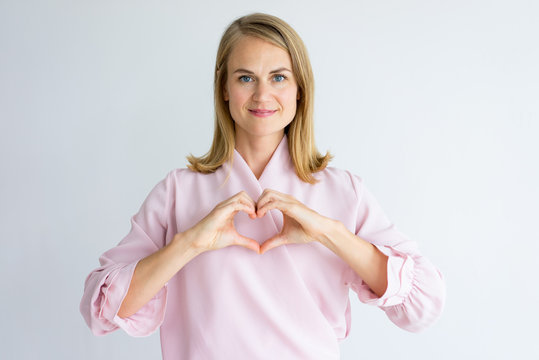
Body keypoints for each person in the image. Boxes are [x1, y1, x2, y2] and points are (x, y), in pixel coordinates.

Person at [80, 12, 445, 359]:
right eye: (245, 78)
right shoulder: (177, 192)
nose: (261, 95)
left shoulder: (343, 192)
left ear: (301, 88)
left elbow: (424, 305)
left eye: (279, 77)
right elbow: (101, 310)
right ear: (223, 87)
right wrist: (189, 242)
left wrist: (328, 232)